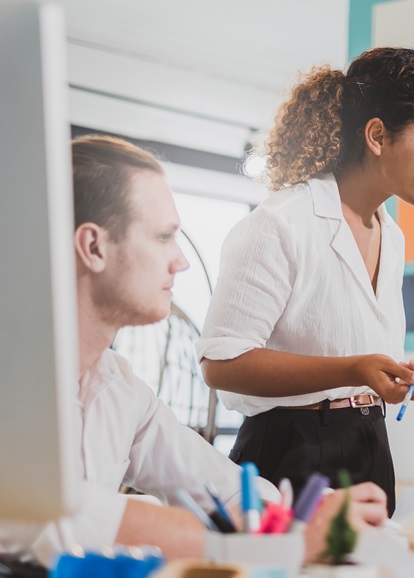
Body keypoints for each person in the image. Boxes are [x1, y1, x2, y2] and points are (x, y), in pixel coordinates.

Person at [0, 135, 388, 567]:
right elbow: (61, 518)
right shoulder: (11, 388)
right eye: (164, 237)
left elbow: (220, 487)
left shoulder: (120, 390)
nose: (180, 260)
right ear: (93, 247)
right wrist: (281, 545)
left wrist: (298, 515)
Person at [196, 47, 414, 514]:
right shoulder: (280, 224)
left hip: (370, 446)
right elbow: (221, 362)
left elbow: (366, 365)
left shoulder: (390, 235)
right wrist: (354, 369)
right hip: (290, 456)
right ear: (377, 135)